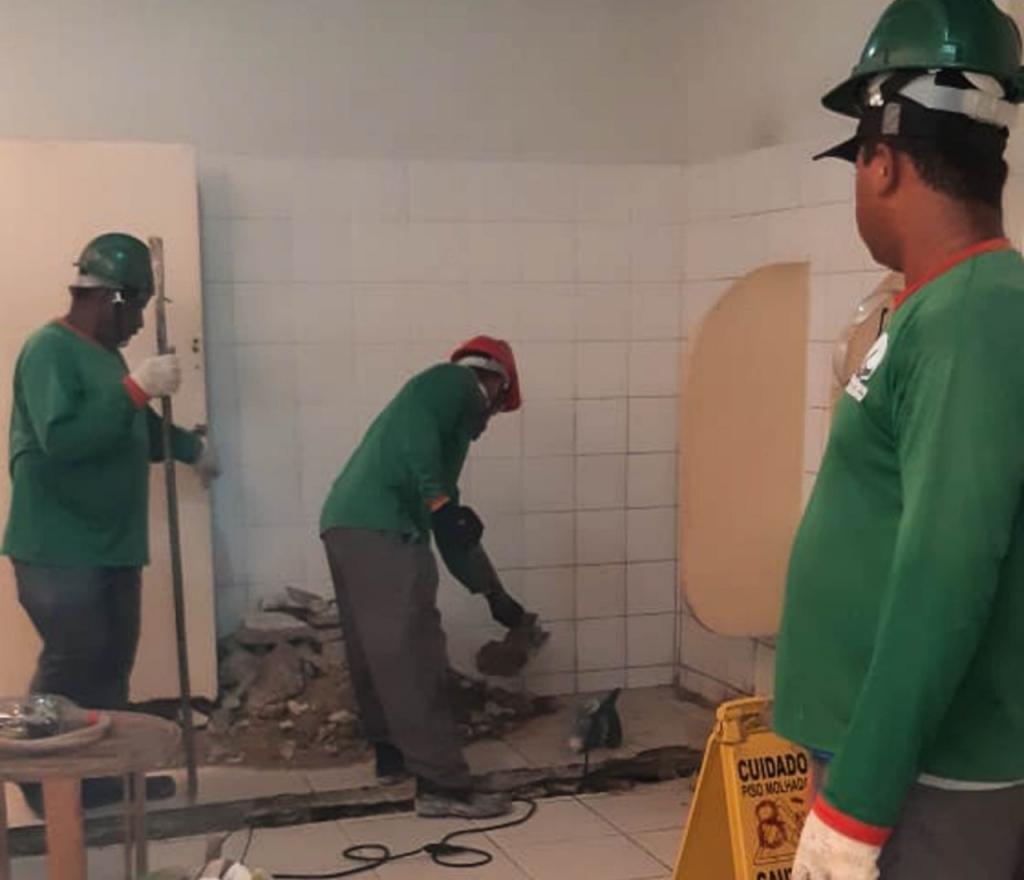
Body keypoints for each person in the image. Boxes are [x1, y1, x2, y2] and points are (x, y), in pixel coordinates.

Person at [774, 1, 1024, 877]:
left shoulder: (974, 317)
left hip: (927, 781)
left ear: (881, 164)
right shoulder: (938, 306)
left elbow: (945, 576)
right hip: (888, 759)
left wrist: (857, 808)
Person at [2, 232, 218, 809]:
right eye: (137, 307)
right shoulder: (49, 350)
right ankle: (44, 782)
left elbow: (133, 428)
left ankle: (98, 777)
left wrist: (190, 449)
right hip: (58, 546)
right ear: (112, 298)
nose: (140, 321)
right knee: (74, 661)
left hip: (112, 544)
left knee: (111, 664)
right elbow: (62, 440)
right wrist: (135, 388)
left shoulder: (105, 357)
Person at [320, 335, 540, 819]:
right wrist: (440, 502)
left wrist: (495, 596)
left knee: (375, 651)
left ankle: (392, 754)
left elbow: (452, 533)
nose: (489, 421)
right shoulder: (452, 383)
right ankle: (443, 785)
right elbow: (422, 448)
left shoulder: (431, 456)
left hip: (347, 524)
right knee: (414, 654)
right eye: (498, 406)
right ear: (495, 383)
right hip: (383, 527)